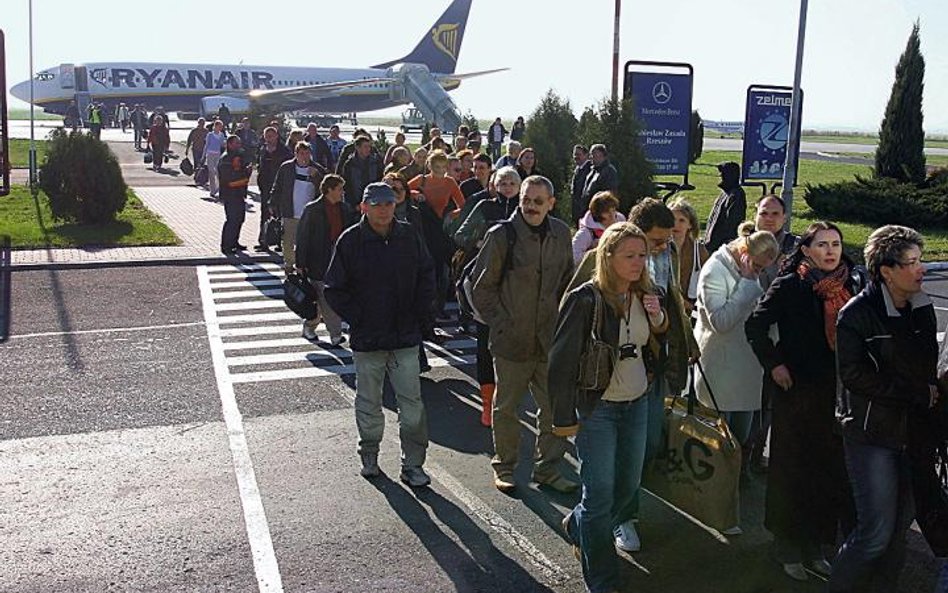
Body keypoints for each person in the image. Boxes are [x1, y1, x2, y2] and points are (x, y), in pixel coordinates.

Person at [566, 197, 699, 552]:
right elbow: (572, 310)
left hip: (648, 371)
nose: (662, 246)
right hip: (603, 385)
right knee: (604, 473)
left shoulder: (665, 255)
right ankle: (618, 520)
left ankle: (588, 519)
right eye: (656, 240)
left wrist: (685, 342)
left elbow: (670, 301)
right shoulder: (600, 259)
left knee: (644, 451)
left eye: (666, 239)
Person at [551, 223, 668, 593]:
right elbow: (561, 361)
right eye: (630, 256)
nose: (638, 263)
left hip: (636, 403)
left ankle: (577, 524)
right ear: (608, 257)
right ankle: (602, 579)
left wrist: (658, 318)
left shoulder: (647, 293)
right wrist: (564, 417)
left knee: (627, 487)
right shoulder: (587, 299)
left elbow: (660, 340)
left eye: (642, 256)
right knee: (599, 496)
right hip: (597, 409)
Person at [746, 221, 865, 582]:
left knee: (827, 470)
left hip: (836, 393)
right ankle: (787, 544)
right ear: (807, 249)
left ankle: (816, 545)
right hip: (796, 390)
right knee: (792, 470)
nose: (831, 251)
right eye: (823, 245)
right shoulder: (791, 284)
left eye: (836, 244)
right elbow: (755, 326)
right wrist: (774, 364)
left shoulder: (850, 284)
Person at [830, 225, 938, 592]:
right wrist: (915, 392)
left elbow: (927, 369)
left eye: (920, 260)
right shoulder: (856, 314)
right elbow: (854, 377)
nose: (921, 269)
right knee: (874, 533)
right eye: (911, 262)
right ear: (886, 271)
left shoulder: (922, 307)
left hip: (915, 435)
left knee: (898, 534)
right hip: (871, 435)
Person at [324, 182, 437, 488]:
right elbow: (334, 289)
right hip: (369, 338)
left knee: (412, 405)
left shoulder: (408, 235)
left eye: (389, 203)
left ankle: (413, 464)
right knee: (369, 403)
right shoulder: (351, 241)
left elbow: (428, 274)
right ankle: (369, 455)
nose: (384, 209)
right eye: (377, 204)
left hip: (404, 336)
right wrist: (359, 317)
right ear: (364, 206)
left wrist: (422, 315)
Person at [471, 175, 576, 494]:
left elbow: (567, 283)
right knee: (506, 408)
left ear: (551, 204)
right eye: (526, 200)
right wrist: (502, 324)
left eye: (537, 201)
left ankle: (548, 469)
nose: (530, 206)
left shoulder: (560, 233)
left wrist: (564, 325)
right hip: (511, 341)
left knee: (553, 409)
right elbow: (482, 289)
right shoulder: (502, 235)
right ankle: (504, 466)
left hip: (549, 341)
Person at [693, 223, 777, 447]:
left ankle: (740, 475)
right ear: (744, 253)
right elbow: (721, 322)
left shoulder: (747, 268)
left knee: (741, 439)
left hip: (745, 367)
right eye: (758, 267)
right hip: (721, 368)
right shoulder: (715, 271)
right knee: (717, 443)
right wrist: (748, 284)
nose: (759, 273)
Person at [454, 167, 522, 425]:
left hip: (516, 282)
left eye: (512, 182)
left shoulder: (525, 209)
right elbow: (460, 234)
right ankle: (486, 402)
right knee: (484, 343)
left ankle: (507, 401)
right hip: (485, 277)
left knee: (513, 345)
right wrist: (482, 241)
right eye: (502, 182)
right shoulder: (484, 206)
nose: (507, 187)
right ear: (494, 184)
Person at [746, 194, 801, 472]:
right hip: (747, 332)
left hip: (779, 336)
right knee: (747, 400)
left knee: (770, 402)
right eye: (764, 213)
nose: (769, 219)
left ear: (784, 217)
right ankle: (741, 457)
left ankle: (756, 456)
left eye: (775, 214)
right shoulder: (744, 243)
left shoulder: (794, 248)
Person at [295, 174, 357, 345]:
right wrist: (300, 263)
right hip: (318, 259)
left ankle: (314, 327)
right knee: (322, 297)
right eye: (339, 189)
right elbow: (303, 237)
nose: (342, 193)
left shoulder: (344, 208)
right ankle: (332, 333)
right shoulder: (313, 209)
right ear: (329, 190)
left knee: (330, 296)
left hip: (338, 257)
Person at [271, 142, 326, 272]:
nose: (305, 156)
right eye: (302, 153)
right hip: (290, 211)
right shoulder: (286, 167)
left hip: (309, 214)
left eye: (307, 153)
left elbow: (325, 188)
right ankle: (289, 264)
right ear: (296, 154)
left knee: (306, 242)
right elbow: (277, 186)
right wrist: (272, 203)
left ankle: (303, 266)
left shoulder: (316, 168)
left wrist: (317, 176)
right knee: (288, 241)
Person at [254, 126, 293, 252]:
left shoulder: (284, 151)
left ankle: (281, 242)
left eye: (271, 136)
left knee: (281, 214)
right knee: (265, 214)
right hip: (265, 187)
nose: (269, 138)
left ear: (276, 136)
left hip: (280, 187)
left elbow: (288, 168)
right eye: (267, 136)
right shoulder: (263, 150)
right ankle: (263, 241)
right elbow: (260, 166)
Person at [668, 197, 709, 316]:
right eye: (672, 219)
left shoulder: (699, 251)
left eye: (682, 220)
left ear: (690, 225)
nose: (676, 224)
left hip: (693, 311)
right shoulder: (658, 248)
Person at [218, 135, 252, 254]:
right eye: (236, 143)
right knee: (232, 220)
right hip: (230, 193)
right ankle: (226, 245)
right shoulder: (226, 158)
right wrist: (245, 173)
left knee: (239, 219)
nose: (239, 145)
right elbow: (229, 178)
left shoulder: (237, 156)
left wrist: (246, 171)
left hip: (239, 193)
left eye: (239, 143)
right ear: (230, 144)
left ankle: (234, 242)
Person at [572, 191, 626, 264]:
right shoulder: (586, 233)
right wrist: (597, 252)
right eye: (606, 212)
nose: (612, 215)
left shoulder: (622, 226)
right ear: (597, 214)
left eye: (613, 210)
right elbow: (574, 256)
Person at [704, 161, 746, 253]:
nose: (721, 176)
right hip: (712, 247)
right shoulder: (725, 194)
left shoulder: (736, 195)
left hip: (721, 249)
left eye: (724, 173)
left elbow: (733, 225)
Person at [580, 144, 619, 221]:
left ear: (602, 156)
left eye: (594, 154)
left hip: (600, 215)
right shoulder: (593, 171)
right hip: (589, 212)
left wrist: (603, 213)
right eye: (591, 154)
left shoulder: (609, 171)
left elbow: (610, 195)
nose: (591, 157)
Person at [341, 136, 383, 206]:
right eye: (365, 147)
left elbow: (380, 180)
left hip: (373, 201)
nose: (368, 149)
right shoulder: (349, 164)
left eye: (369, 147)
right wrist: (354, 204)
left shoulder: (376, 162)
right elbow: (347, 186)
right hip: (355, 202)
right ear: (357, 148)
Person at [203, 120, 227, 198]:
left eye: (221, 126)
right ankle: (212, 190)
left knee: (218, 172)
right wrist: (203, 155)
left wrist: (226, 144)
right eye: (219, 126)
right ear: (215, 126)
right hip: (210, 154)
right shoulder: (210, 134)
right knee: (211, 172)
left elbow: (222, 144)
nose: (220, 128)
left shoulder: (221, 135)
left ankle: (218, 188)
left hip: (218, 154)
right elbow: (206, 145)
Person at [570, 145, 593, 225]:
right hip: (578, 210)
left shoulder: (590, 169)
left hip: (585, 210)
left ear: (586, 155)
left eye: (579, 154)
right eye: (575, 154)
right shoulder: (577, 169)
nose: (576, 157)